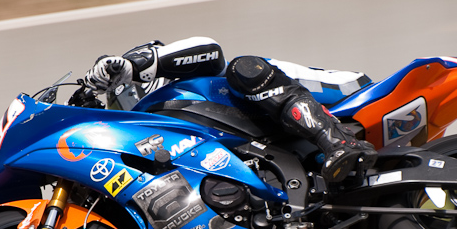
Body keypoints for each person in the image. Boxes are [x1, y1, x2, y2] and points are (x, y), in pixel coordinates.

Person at [81, 37, 377, 182]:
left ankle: (338, 141)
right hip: (287, 145)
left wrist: (135, 64)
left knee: (243, 69)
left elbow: (210, 49)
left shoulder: (194, 83)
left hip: (347, 97)